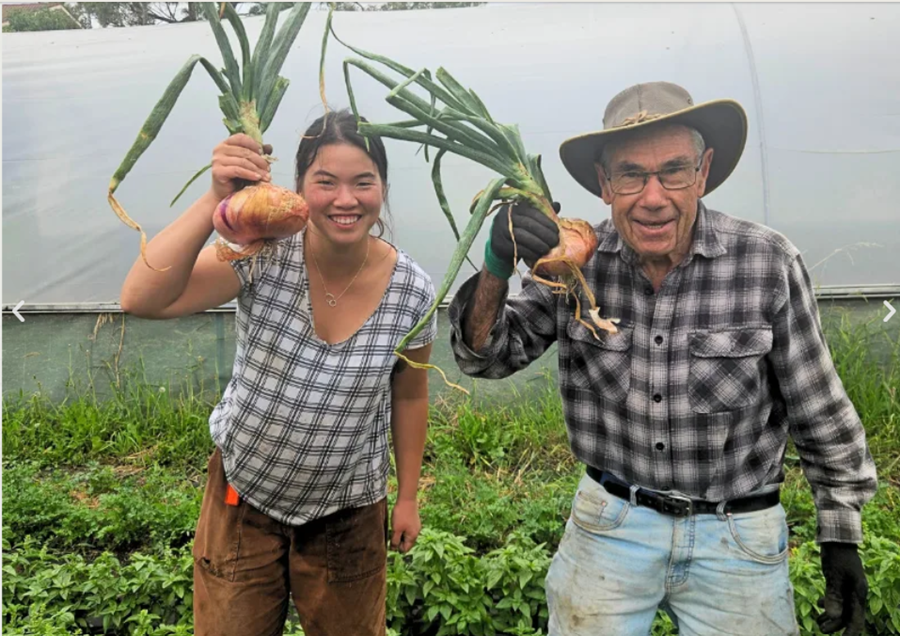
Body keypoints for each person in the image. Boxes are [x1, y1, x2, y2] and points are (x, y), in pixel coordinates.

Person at [447, 82, 877, 635]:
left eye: (674, 171)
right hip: (611, 523)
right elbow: (485, 357)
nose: (653, 197)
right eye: (630, 174)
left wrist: (840, 535)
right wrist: (496, 265)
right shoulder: (573, 265)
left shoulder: (765, 263)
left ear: (703, 172)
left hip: (736, 533)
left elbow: (819, 408)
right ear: (604, 184)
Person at [120, 109, 437, 636]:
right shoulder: (263, 254)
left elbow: (409, 397)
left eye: (364, 182)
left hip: (348, 511)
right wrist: (214, 200)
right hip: (242, 499)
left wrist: (407, 498)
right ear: (298, 187)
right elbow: (142, 298)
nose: (345, 200)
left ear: (382, 188)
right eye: (325, 182)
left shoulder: (412, 291)